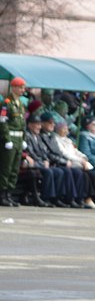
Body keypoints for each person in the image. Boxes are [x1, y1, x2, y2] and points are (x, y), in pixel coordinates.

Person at [1, 76, 29, 206]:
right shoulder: (7, 102)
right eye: (21, 87)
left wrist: (23, 139)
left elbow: (22, 123)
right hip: (10, 138)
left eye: (23, 87)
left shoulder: (21, 104)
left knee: (14, 169)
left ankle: (9, 194)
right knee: (6, 168)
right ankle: (2, 194)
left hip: (18, 138)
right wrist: (7, 139)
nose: (23, 90)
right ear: (14, 87)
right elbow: (3, 121)